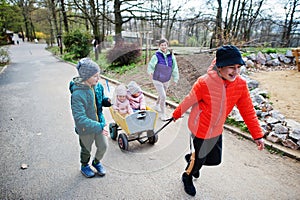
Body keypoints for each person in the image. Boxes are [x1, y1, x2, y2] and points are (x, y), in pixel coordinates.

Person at [172, 45, 265, 196]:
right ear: (220, 67)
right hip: (200, 129)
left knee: (215, 160)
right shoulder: (204, 83)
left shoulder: (240, 85)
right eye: (231, 67)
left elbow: (248, 111)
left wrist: (257, 135)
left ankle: (192, 159)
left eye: (238, 67)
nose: (235, 72)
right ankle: (187, 176)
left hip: (216, 130)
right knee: (199, 161)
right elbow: (189, 100)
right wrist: (176, 114)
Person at [69, 58, 111, 178]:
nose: (98, 79)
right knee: (86, 149)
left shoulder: (98, 87)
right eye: (95, 76)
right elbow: (79, 118)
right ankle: (84, 165)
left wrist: (105, 101)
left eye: (99, 75)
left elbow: (99, 101)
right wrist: (99, 126)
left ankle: (96, 162)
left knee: (103, 146)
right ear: (86, 77)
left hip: (99, 123)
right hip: (85, 129)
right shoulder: (77, 95)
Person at [147, 38, 179, 120]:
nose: (164, 46)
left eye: (165, 45)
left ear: (167, 45)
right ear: (159, 46)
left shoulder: (171, 55)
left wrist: (175, 78)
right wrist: (150, 72)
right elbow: (150, 66)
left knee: (162, 94)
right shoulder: (156, 55)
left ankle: (157, 105)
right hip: (157, 79)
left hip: (166, 79)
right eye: (162, 45)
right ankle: (163, 114)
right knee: (163, 96)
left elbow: (174, 68)